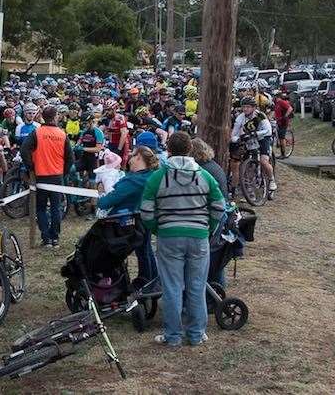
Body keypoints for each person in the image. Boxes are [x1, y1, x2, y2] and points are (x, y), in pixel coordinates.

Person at [140, 132, 226, 347]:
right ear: (190, 150)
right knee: (197, 286)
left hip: (169, 237)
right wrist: (209, 227)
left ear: (168, 150)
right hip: (198, 237)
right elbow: (219, 207)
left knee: (172, 288)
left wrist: (158, 229)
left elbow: (146, 211)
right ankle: (196, 334)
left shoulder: (157, 177)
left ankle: (173, 336)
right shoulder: (205, 176)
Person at [97, 145, 160, 283]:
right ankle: (152, 280)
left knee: (142, 253)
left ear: (138, 157)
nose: (130, 159)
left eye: (132, 156)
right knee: (146, 250)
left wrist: (101, 193)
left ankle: (145, 281)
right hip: (145, 219)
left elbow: (106, 202)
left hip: (127, 223)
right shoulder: (152, 176)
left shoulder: (134, 181)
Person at [21, 106, 73, 248]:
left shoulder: (37, 133)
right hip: (57, 176)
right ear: (55, 117)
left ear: (43, 117)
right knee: (56, 208)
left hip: (41, 175)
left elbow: (24, 149)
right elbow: (70, 157)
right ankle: (55, 237)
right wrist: (64, 172)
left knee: (41, 208)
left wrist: (30, 166)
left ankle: (46, 238)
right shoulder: (62, 134)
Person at [229, 97, 276, 194]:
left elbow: (268, 130)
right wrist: (235, 139)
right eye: (244, 107)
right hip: (250, 139)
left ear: (254, 108)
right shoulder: (240, 117)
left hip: (263, 137)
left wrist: (257, 134)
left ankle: (272, 180)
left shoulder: (260, 115)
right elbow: (234, 133)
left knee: (263, 161)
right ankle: (248, 187)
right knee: (247, 162)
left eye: (248, 107)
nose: (245, 109)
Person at [273, 91, 294, 157]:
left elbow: (290, 108)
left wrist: (285, 116)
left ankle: (283, 154)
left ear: (276, 96)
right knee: (279, 137)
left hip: (283, 122)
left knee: (281, 138)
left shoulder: (282, 102)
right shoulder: (276, 103)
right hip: (278, 122)